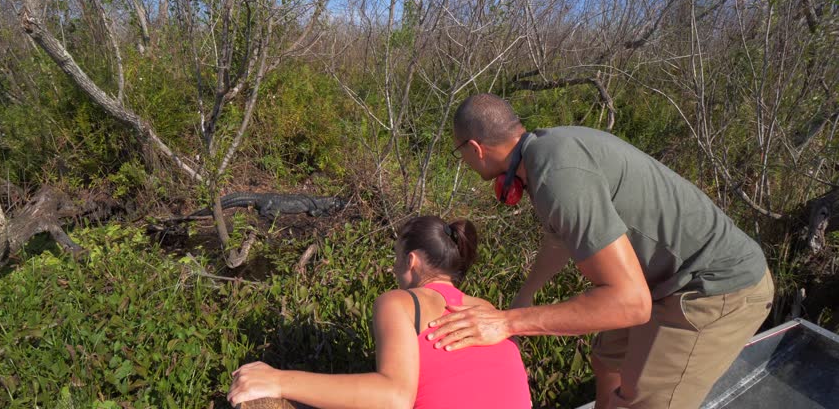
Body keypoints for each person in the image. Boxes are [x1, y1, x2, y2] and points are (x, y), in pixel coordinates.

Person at [428, 93, 773, 409]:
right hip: (665, 279)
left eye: (461, 155)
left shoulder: (555, 174)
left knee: (644, 401)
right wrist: (523, 299)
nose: (467, 163)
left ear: (475, 148)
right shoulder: (544, 152)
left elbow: (630, 303)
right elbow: (559, 239)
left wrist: (506, 323)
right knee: (609, 358)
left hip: (714, 288)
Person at [227, 216, 531, 409]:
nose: (394, 267)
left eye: (397, 257)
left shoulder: (399, 302)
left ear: (411, 260)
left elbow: (394, 398)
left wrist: (278, 380)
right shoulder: (490, 313)